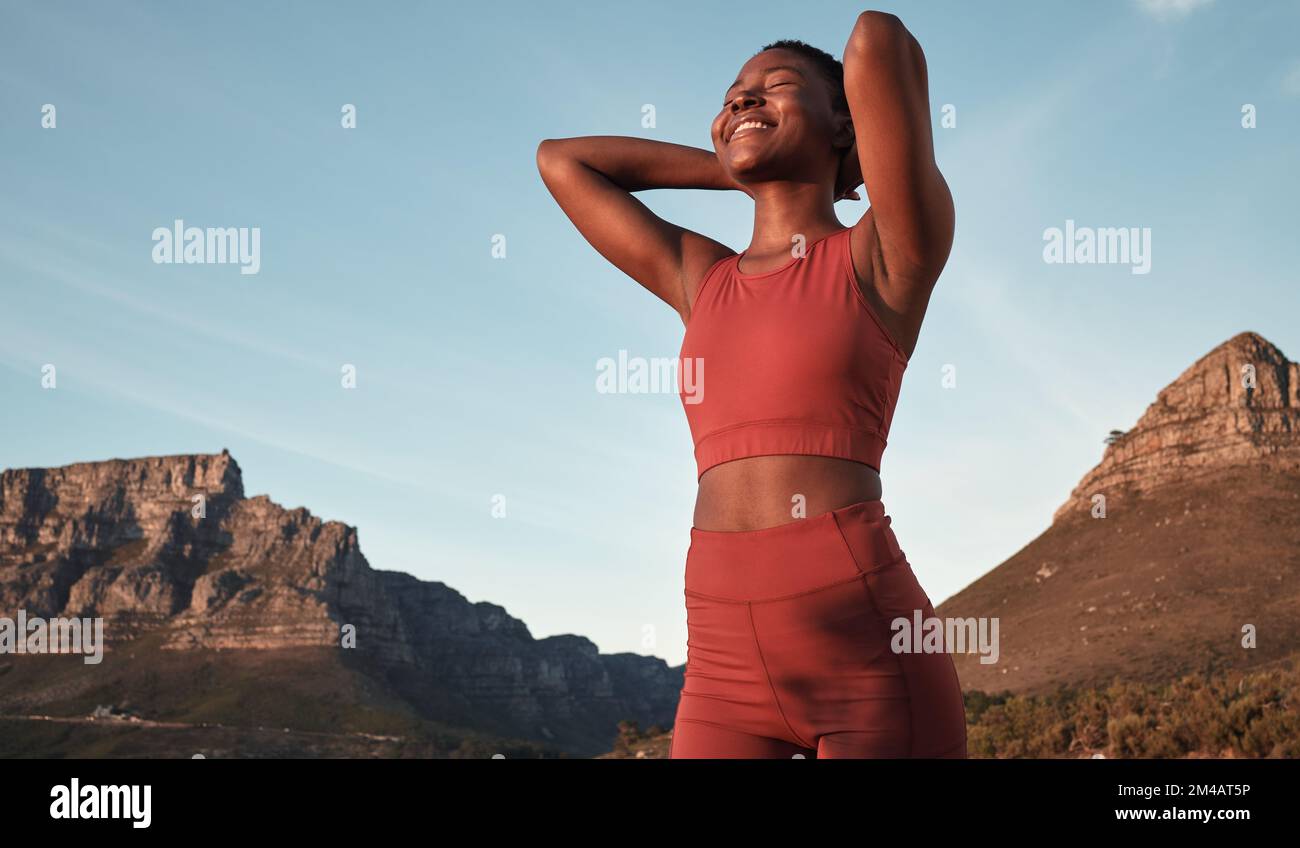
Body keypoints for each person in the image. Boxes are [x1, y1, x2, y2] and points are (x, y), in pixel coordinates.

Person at [536, 10, 966, 758]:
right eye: (732, 95)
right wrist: (735, 163)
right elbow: (561, 162)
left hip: (868, 653)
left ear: (843, 124)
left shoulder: (884, 254)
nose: (742, 99)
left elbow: (877, 39)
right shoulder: (701, 278)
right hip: (721, 664)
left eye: (777, 86)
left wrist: (842, 161)